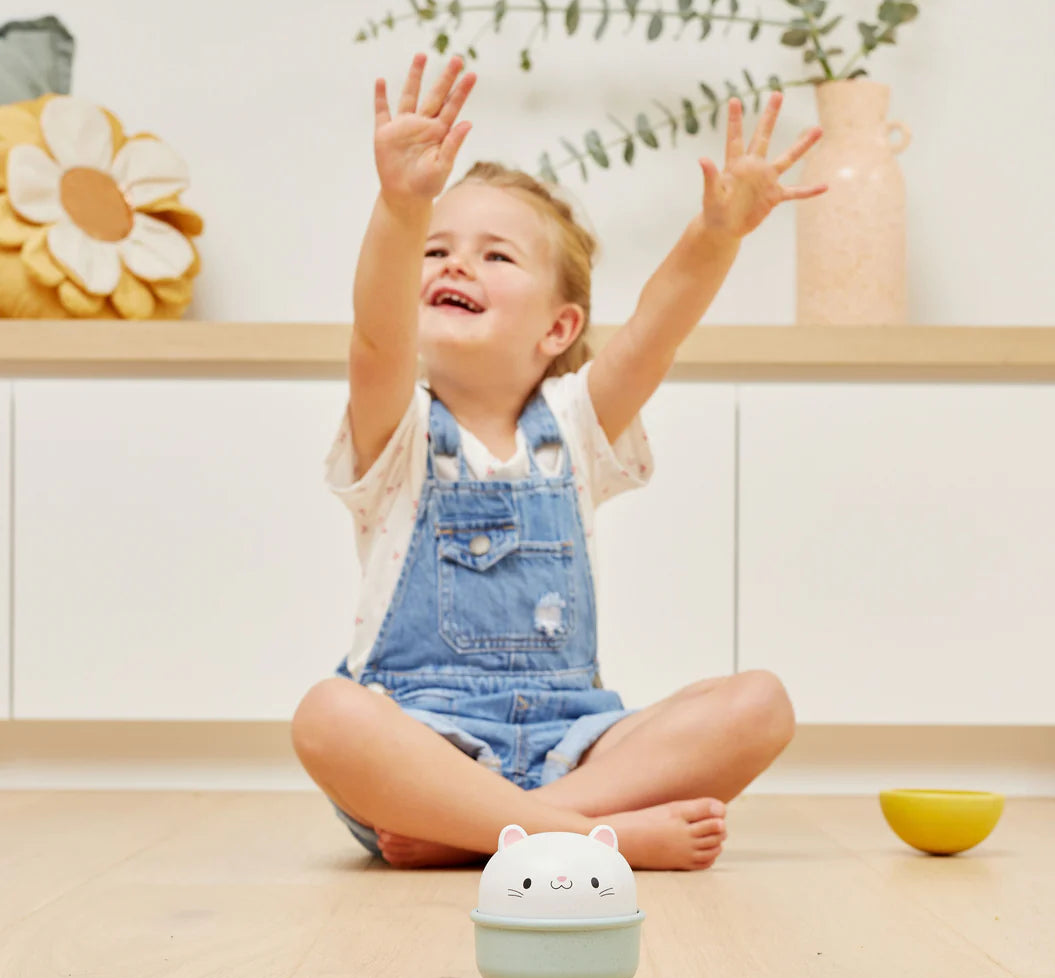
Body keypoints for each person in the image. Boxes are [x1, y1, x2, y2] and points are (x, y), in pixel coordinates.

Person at [292, 52, 827, 870]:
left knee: (761, 704)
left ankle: (501, 827)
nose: (456, 264)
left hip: (575, 753)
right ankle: (588, 838)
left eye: (497, 256)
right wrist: (402, 206)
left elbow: (655, 330)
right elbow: (375, 336)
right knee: (327, 714)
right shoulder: (396, 434)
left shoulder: (576, 429)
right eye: (435, 251)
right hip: (425, 751)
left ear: (559, 329)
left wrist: (716, 234)